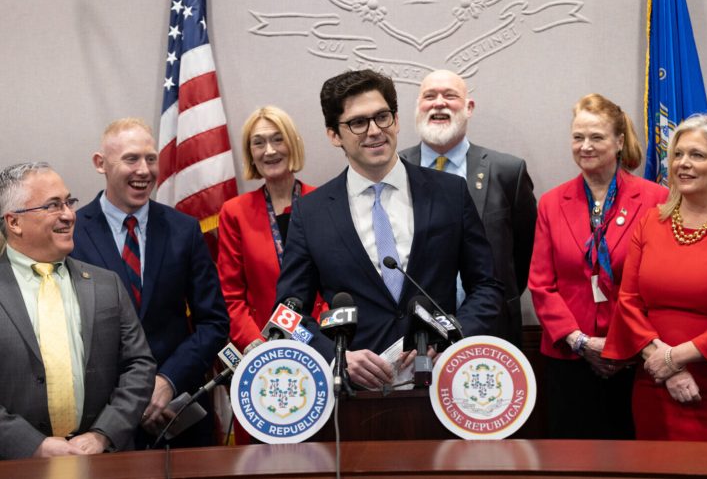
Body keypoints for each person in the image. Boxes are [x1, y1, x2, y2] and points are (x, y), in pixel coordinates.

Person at [275, 69, 503, 389]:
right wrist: (335, 357)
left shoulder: (450, 193)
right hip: (357, 394)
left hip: (441, 382)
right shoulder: (310, 213)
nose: (374, 131)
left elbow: (487, 287)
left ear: (396, 121)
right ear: (334, 135)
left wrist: (454, 337)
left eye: (382, 117)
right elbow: (286, 315)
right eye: (358, 122)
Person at [603, 115, 707, 442]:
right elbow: (628, 302)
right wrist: (666, 366)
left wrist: (675, 358)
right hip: (656, 384)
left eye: (697, 155)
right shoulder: (650, 222)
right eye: (678, 154)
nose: (683, 163)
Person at [70, 118, 229, 448]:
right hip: (101, 421)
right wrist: (130, 398)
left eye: (151, 158)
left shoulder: (184, 230)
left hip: (177, 413)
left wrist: (168, 381)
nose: (144, 170)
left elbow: (213, 323)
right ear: (100, 163)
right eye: (131, 159)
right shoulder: (72, 234)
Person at [528, 94, 668, 439]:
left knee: (632, 456)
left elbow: (659, 283)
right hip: (568, 358)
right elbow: (541, 284)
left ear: (619, 141)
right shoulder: (551, 202)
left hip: (634, 359)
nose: (585, 146)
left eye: (596, 137)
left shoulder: (656, 199)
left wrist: (624, 343)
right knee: (572, 456)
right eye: (578, 137)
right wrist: (580, 342)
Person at [0, 162, 155, 459]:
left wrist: (103, 434)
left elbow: (139, 365)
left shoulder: (107, 284)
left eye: (68, 202)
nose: (69, 215)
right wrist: (32, 445)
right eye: (53, 206)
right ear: (14, 222)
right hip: (15, 465)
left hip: (102, 460)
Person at [401, 69, 537, 347]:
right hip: (414, 335)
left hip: (491, 328)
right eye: (430, 96)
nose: (439, 103)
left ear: (469, 107)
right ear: (418, 106)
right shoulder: (395, 170)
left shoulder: (508, 171)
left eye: (450, 96)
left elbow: (524, 254)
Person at [218, 106, 324, 353]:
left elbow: (339, 284)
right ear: (250, 153)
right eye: (259, 143)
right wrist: (261, 349)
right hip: (261, 348)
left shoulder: (323, 203)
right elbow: (231, 296)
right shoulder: (234, 213)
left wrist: (318, 342)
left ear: (292, 144)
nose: (270, 150)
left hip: (320, 345)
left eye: (278, 139)